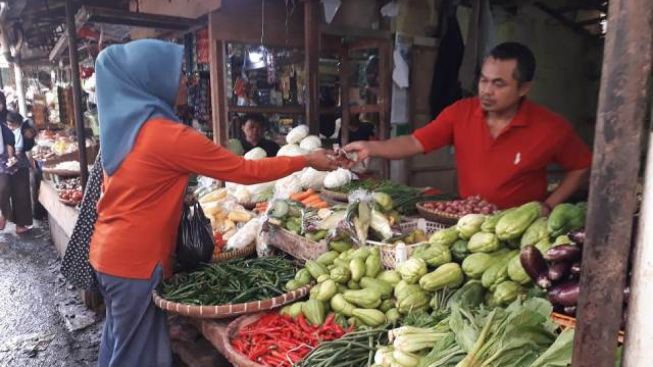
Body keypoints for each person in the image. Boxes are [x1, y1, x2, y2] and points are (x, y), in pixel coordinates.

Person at [89, 39, 337, 367]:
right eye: (175, 75)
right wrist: (306, 160)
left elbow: (136, 185)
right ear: (151, 81)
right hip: (136, 261)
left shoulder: (124, 129)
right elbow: (246, 170)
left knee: (121, 342)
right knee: (137, 354)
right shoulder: (167, 135)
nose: (183, 82)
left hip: (110, 254)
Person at [344, 42, 592, 211]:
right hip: (469, 219)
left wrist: (549, 205)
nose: (486, 90)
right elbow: (414, 142)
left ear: (524, 88)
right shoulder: (461, 112)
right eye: (483, 80)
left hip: (523, 229)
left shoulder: (549, 127)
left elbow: (581, 165)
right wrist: (371, 146)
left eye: (498, 83)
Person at [3, 111, 33, 233]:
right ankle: (18, 225)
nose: (10, 127)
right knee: (21, 195)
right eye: (9, 125)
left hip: (15, 164)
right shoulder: (16, 131)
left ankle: (16, 223)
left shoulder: (22, 129)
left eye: (13, 125)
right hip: (17, 165)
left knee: (19, 195)